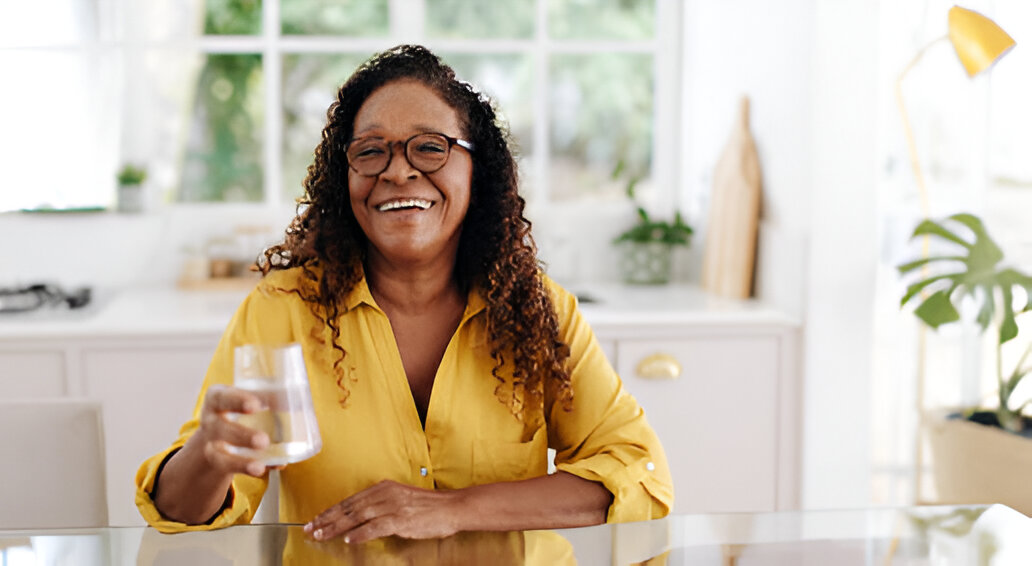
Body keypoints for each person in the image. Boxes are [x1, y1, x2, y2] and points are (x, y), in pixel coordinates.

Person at [135, 44, 672, 542]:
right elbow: (184, 517)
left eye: (430, 148)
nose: (397, 171)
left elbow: (638, 475)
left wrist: (455, 508)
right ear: (345, 178)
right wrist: (211, 451)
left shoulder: (537, 310)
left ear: (476, 171)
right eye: (371, 152)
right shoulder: (284, 311)